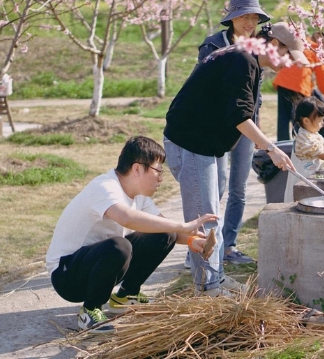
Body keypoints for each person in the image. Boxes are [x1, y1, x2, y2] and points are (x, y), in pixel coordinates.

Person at [164, 22, 306, 297]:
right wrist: (271, 149)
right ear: (274, 45)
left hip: (206, 145)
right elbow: (240, 115)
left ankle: (214, 278)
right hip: (191, 142)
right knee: (204, 219)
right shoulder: (242, 60)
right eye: (289, 56)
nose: (289, 64)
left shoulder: (247, 59)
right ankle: (207, 288)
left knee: (210, 214)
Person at [45, 136, 218, 333]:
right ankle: (90, 310)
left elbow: (167, 230)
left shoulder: (139, 196)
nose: (161, 178)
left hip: (96, 264)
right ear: (137, 169)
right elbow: (126, 218)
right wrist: (183, 225)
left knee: (165, 233)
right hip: (67, 276)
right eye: (158, 171)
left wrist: (191, 239)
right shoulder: (105, 186)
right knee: (120, 246)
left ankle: (126, 296)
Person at [189, 0, 269, 266]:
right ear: (232, 18)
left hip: (247, 124)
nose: (249, 22)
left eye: (254, 17)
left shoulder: (258, 45)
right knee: (217, 186)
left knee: (239, 187)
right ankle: (202, 245)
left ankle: (229, 244)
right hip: (218, 128)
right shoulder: (213, 44)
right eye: (244, 16)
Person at [272, 30, 324, 141]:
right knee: (299, 117)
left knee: (283, 118)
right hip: (299, 86)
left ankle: (282, 144)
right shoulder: (317, 50)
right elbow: (321, 74)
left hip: (283, 82)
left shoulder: (301, 43)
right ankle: (301, 143)